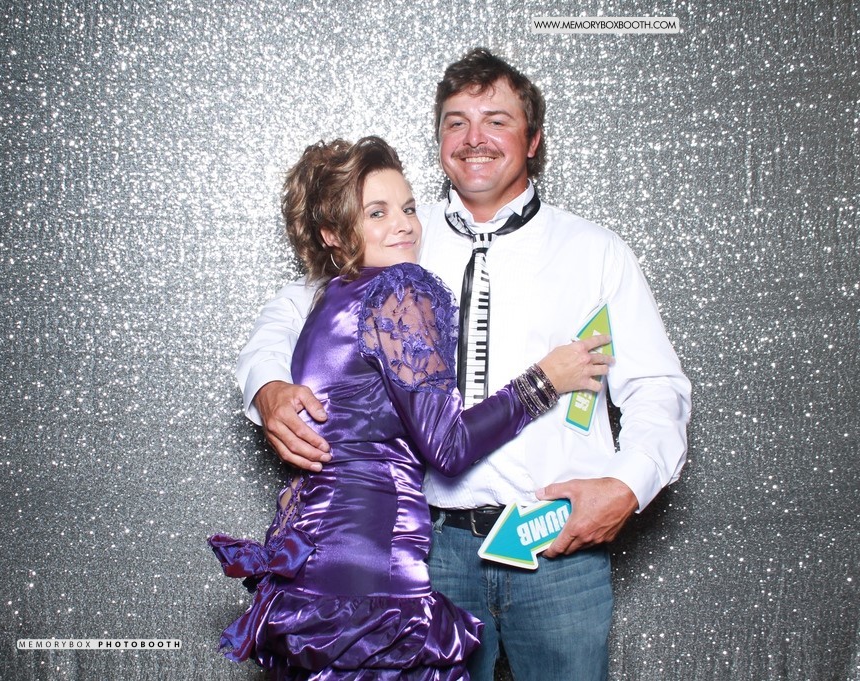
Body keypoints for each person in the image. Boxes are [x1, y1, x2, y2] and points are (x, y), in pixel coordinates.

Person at [236, 49, 692, 680]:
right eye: (457, 122)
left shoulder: (595, 252)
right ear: (440, 141)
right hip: (430, 546)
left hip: (555, 549)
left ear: (534, 140)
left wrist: (627, 486)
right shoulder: (400, 234)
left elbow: (656, 386)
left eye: (496, 120)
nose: (474, 138)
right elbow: (295, 310)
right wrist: (267, 387)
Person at [210, 136, 613, 679]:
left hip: (315, 546)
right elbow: (448, 447)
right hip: (371, 554)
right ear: (333, 233)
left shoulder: (334, 296)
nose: (403, 225)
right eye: (377, 213)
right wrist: (545, 381)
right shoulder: (400, 291)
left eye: (408, 208)